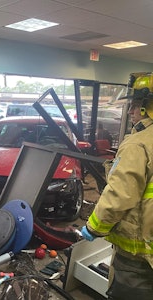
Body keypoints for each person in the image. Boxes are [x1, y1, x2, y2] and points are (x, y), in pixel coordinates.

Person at [81, 74, 153, 299]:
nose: (130, 111)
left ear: (145, 109)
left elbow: (120, 195)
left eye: (134, 105)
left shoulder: (138, 143)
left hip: (138, 257)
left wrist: (94, 227)